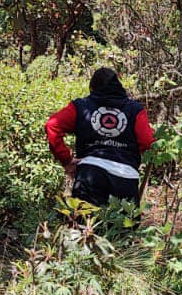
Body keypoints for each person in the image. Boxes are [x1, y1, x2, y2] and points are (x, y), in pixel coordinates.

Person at [44, 68, 155, 207]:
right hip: (126, 178)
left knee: (85, 226)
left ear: (92, 88)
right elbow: (148, 142)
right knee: (123, 228)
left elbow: (52, 125)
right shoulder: (135, 109)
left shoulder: (80, 106)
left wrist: (66, 160)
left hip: (90, 174)